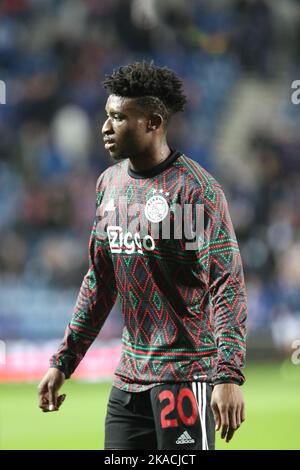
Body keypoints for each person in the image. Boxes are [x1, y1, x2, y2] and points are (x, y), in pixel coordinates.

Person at [38, 61, 247, 450]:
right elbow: (100, 284)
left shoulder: (197, 191)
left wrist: (228, 376)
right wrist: (62, 362)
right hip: (127, 383)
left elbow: (227, 286)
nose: (105, 127)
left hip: (186, 378)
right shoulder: (109, 184)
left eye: (118, 117)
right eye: (107, 116)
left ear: (152, 122)